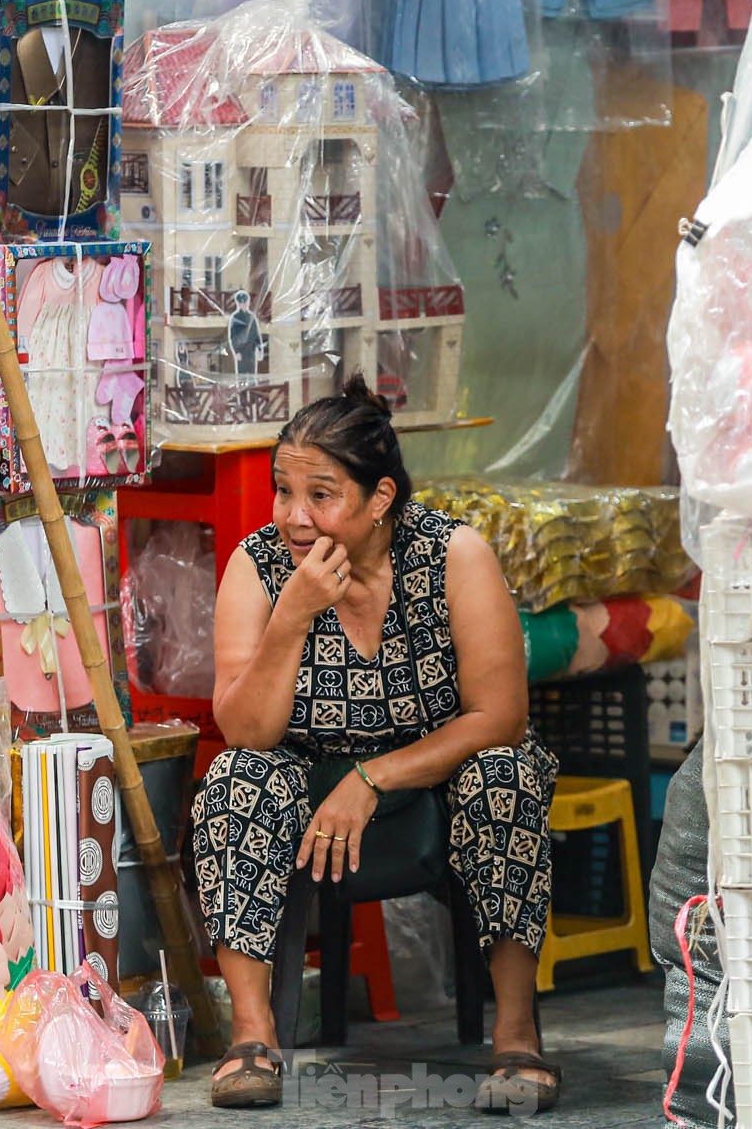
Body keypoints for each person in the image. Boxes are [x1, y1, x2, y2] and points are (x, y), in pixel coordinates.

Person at [191, 377, 561, 1113]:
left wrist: (372, 777)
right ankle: (253, 1036)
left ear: (380, 498)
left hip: (430, 783)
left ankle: (517, 1034)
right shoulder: (260, 567)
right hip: (304, 789)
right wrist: (293, 615)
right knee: (237, 776)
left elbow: (500, 715)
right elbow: (247, 729)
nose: (295, 517)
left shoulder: (453, 556)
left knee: (506, 774)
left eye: (320, 494)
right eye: (282, 491)